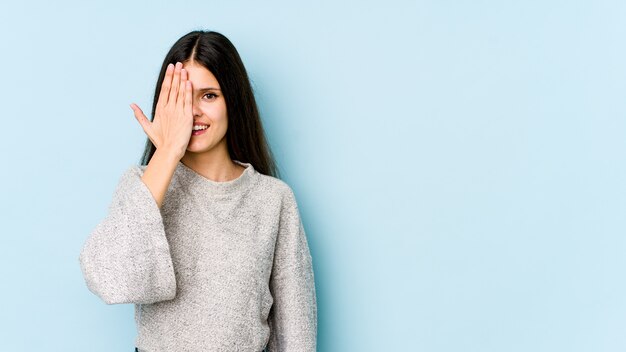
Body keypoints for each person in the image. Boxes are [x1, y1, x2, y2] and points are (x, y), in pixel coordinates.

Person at [78, 30, 317, 352]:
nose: (193, 112)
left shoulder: (273, 199)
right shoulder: (143, 185)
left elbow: (296, 331)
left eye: (209, 96)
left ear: (233, 100)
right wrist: (166, 154)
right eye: (181, 97)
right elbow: (112, 281)